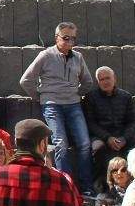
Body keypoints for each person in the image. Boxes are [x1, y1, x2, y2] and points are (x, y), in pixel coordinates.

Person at [20, 21, 96, 190]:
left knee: (84, 143)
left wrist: (76, 93)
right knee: (60, 143)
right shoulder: (46, 56)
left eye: (73, 39)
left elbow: (88, 81)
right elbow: (26, 80)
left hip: (74, 104)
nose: (69, 42)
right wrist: (40, 97)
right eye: (66, 38)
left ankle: (86, 186)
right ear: (57, 38)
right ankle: (65, 186)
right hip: (52, 105)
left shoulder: (78, 57)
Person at [84, 66, 135, 186]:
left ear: (114, 79)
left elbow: (132, 122)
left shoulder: (126, 97)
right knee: (98, 148)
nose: (105, 82)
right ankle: (99, 183)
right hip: (100, 136)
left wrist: (124, 138)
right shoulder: (90, 97)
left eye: (108, 78)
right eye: (101, 79)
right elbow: (90, 122)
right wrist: (107, 138)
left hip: (122, 135)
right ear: (98, 82)